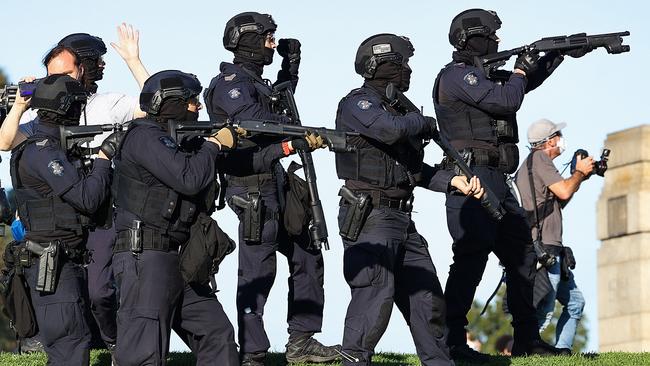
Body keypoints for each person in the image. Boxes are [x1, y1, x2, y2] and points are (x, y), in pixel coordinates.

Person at [432, 8, 591, 361]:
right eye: (492, 34)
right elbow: (509, 97)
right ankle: (452, 343)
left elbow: (525, 82)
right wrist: (520, 68)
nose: (498, 40)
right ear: (472, 36)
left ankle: (528, 340)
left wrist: (558, 54)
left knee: (523, 256)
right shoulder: (458, 76)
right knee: (470, 260)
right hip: (471, 180)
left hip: (498, 183)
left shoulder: (480, 76)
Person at [334, 33, 484, 366]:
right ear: (385, 65)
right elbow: (389, 130)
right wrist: (422, 121)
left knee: (428, 299)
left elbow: (412, 171)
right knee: (374, 298)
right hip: (370, 216)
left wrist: (453, 181)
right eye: (405, 64)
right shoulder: (359, 104)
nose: (409, 72)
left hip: (402, 220)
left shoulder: (397, 111)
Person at [204, 11, 340, 365]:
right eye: (267, 38)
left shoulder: (255, 81)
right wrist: (298, 133)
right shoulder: (230, 83)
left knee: (308, 253)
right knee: (258, 270)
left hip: (275, 180)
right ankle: (253, 352)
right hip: (249, 186)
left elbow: (277, 102)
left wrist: (290, 67)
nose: (273, 44)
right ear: (247, 40)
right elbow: (258, 122)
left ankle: (302, 340)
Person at [3, 27, 150, 351]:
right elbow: (5, 141)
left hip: (98, 210)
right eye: (50, 74)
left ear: (83, 68)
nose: (55, 79)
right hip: (58, 219)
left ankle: (114, 345)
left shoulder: (109, 104)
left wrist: (134, 61)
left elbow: (154, 106)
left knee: (100, 291)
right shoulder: (41, 118)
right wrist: (19, 106)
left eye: (64, 72)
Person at [111, 70, 246, 365]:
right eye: (191, 101)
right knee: (144, 353)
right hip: (144, 257)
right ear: (170, 103)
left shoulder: (173, 141)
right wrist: (214, 144)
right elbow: (189, 178)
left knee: (217, 334)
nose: (197, 107)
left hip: (177, 258)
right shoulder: (144, 137)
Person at [10, 74, 115, 365]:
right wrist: (104, 161)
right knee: (70, 343)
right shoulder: (43, 150)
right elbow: (87, 199)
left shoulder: (48, 145)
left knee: (71, 341)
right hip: (51, 262)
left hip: (63, 258)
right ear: (68, 107)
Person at [514, 119, 592, 352]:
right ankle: (526, 350)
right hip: (544, 248)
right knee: (543, 310)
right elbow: (565, 189)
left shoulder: (532, 163)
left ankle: (562, 352)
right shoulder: (540, 159)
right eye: (558, 136)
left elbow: (557, 202)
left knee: (575, 302)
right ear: (549, 142)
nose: (561, 140)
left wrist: (579, 178)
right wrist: (578, 173)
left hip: (549, 246)